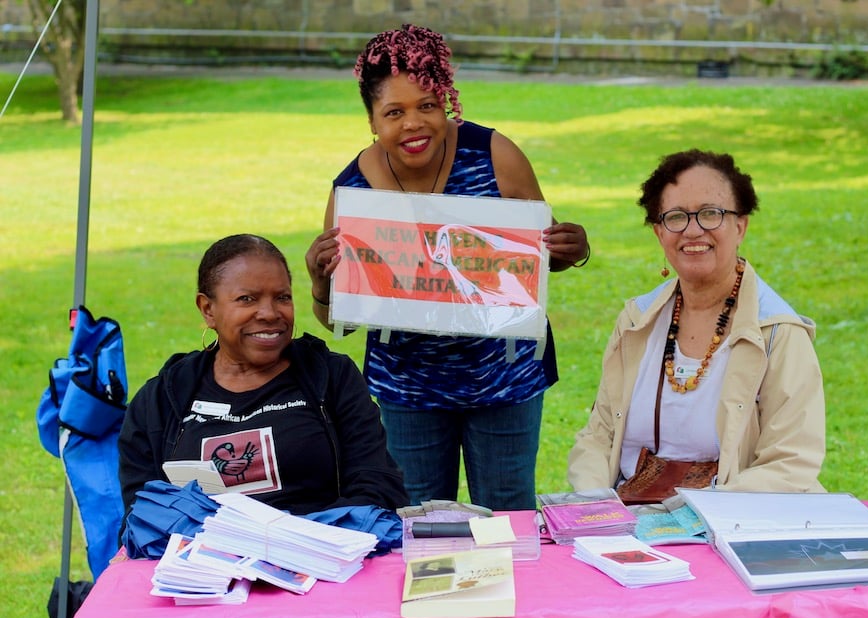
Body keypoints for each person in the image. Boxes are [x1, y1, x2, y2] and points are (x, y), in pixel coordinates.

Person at [304, 24, 589, 510]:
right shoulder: (353, 195)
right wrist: (319, 281)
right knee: (416, 523)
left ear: (446, 104)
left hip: (505, 378)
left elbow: (537, 256)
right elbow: (338, 321)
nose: (413, 124)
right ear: (372, 121)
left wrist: (570, 248)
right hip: (408, 387)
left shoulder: (494, 155)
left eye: (427, 106)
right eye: (394, 112)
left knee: (506, 516)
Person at [568, 149, 825, 494]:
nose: (693, 230)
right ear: (659, 233)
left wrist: (691, 515)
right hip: (627, 519)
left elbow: (790, 463)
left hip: (733, 521)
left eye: (710, 214)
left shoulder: (778, 332)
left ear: (740, 225)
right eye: (675, 217)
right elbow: (599, 437)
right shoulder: (636, 320)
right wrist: (595, 505)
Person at [118, 233, 408, 523]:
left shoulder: (332, 378)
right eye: (247, 299)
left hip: (322, 554)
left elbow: (378, 486)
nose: (269, 313)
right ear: (208, 309)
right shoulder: (161, 400)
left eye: (282, 297)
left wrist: (301, 539)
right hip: (204, 560)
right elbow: (143, 513)